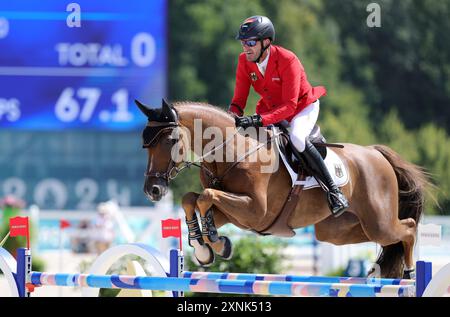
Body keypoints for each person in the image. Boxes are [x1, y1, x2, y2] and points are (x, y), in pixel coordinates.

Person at [229, 15, 349, 217]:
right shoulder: (244, 61)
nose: (246, 48)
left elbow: (289, 105)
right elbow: (238, 100)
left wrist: (258, 120)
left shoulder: (287, 60)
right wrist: (230, 121)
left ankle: (334, 191)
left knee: (296, 138)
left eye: (250, 42)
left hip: (302, 107)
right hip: (270, 109)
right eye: (243, 43)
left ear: (266, 42)